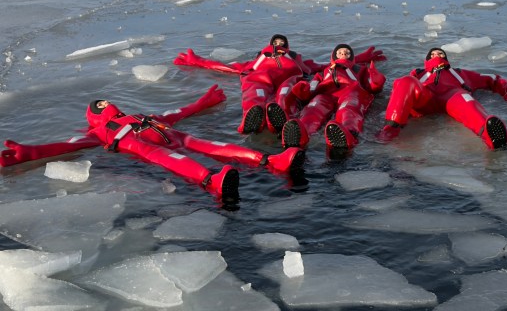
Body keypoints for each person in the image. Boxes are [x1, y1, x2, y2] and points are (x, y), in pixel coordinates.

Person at [0, 85, 305, 206]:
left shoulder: (139, 115)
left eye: (105, 100)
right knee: (173, 159)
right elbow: (66, 146)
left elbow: (176, 114)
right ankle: (212, 180)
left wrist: (205, 101)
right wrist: (30, 152)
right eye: (99, 104)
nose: (106, 103)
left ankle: (273, 161)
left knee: (217, 145)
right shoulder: (101, 131)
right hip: (146, 149)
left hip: (176, 136)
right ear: (93, 114)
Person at [174, 34, 386, 137]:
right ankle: (272, 125)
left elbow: (331, 67)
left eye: (282, 43)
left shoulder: (298, 59)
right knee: (258, 100)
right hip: (262, 82)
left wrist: (362, 60)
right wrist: (198, 61)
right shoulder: (259, 59)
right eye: (276, 42)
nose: (279, 45)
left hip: (338, 91)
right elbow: (229, 68)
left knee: (286, 96)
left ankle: (287, 121)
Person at [377, 48, 507, 150]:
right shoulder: (417, 74)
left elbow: (494, 80)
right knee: (405, 81)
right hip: (425, 98)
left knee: (466, 101)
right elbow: (400, 90)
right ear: (426, 60)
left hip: (452, 96)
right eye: (432, 54)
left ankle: (492, 136)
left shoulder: (460, 73)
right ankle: (390, 129)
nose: (436, 55)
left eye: (440, 53)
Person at [281, 44, 386, 152]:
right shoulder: (324, 72)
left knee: (349, 109)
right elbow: (313, 86)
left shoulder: (360, 69)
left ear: (351, 57)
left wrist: (376, 79)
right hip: (325, 94)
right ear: (334, 56)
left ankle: (349, 131)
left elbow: (372, 86)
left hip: (350, 93)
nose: (343, 54)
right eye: (340, 52)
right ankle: (301, 130)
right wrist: (303, 91)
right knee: (314, 108)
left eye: (347, 52)